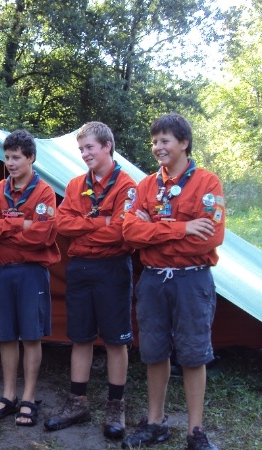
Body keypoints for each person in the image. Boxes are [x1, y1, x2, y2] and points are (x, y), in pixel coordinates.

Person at [122, 113, 224, 450]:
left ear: (183, 143)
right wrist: (182, 228)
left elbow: (211, 238)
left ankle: (196, 432)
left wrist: (153, 229)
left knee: (193, 355)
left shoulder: (207, 183)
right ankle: (155, 423)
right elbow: (130, 232)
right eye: (154, 141)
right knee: (154, 352)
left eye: (164, 140)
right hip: (153, 281)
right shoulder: (145, 186)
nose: (157, 147)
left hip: (192, 280)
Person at [43, 122, 136, 439]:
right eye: (81, 149)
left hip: (113, 268)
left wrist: (85, 226)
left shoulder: (127, 185)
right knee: (80, 337)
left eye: (89, 147)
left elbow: (123, 232)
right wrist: (101, 222)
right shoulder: (74, 185)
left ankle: (115, 406)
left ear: (107, 146)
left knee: (116, 340)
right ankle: (77, 403)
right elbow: (62, 224)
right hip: (81, 268)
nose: (84, 154)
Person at [0, 129, 60, 427]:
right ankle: (8, 395)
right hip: (2, 272)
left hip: (31, 273)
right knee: (6, 335)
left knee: (31, 336)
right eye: (7, 157)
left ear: (31, 158)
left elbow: (43, 234)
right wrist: (20, 224)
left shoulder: (44, 192)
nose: (10, 163)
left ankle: (28, 397)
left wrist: (1, 225)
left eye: (16, 158)